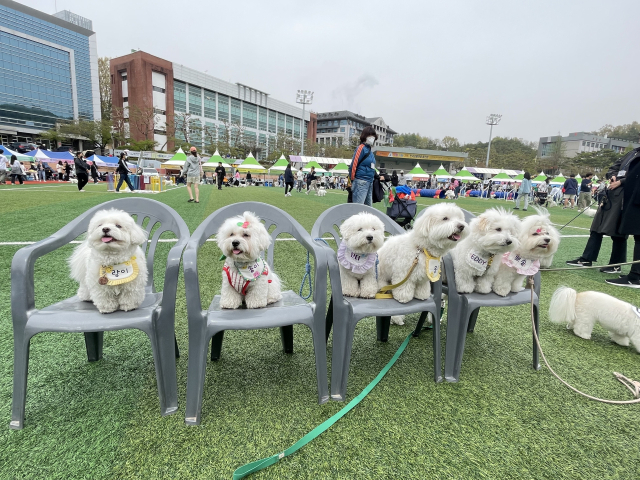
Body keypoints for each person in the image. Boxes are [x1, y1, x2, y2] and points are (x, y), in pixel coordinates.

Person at [566, 148, 638, 275]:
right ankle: (587, 258)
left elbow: (636, 176)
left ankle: (616, 264)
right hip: (611, 193)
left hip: (625, 196)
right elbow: (614, 167)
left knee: (617, 231)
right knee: (596, 227)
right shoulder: (632, 152)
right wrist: (612, 176)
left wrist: (621, 182)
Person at [605, 146, 640, 287]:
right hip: (631, 196)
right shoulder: (633, 152)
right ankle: (635, 273)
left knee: (639, 236)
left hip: (636, 197)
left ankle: (636, 276)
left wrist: (621, 181)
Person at [348, 126, 378, 205]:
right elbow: (354, 165)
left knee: (368, 210)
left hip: (369, 182)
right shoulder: (361, 148)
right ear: (365, 136)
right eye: (370, 135)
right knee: (359, 208)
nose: (372, 138)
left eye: (373, 136)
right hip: (360, 181)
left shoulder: (370, 151)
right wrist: (352, 180)